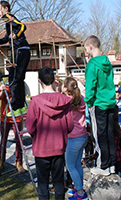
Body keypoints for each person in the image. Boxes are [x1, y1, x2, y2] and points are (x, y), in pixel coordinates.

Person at [26, 67, 74, 200]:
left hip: (41, 148)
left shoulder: (35, 102)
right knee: (59, 182)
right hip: (59, 147)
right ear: (54, 80)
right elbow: (70, 125)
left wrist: (38, 135)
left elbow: (30, 127)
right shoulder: (64, 101)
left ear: (40, 81)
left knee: (43, 184)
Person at [0, 0, 30, 117]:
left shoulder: (9, 17)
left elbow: (23, 26)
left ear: (6, 9)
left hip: (20, 49)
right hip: (19, 50)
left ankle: (15, 107)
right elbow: (5, 39)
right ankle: (21, 106)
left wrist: (16, 34)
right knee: (18, 79)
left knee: (14, 79)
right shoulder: (8, 24)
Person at [84, 35, 116, 175]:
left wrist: (89, 102)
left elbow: (90, 86)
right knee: (110, 134)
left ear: (90, 47)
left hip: (99, 104)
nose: (86, 52)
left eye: (86, 49)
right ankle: (112, 164)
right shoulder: (107, 61)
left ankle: (103, 166)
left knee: (99, 135)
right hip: (110, 102)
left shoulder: (92, 65)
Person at [62, 77, 88, 200]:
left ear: (66, 88)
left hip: (73, 138)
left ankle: (81, 192)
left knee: (70, 166)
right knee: (77, 164)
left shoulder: (67, 101)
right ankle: (78, 187)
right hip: (82, 136)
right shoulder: (81, 99)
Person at [0, 83, 25, 173]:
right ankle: (1, 162)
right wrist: (2, 90)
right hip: (5, 117)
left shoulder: (19, 84)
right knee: (3, 140)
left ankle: (19, 162)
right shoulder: (5, 85)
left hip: (17, 117)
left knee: (19, 140)